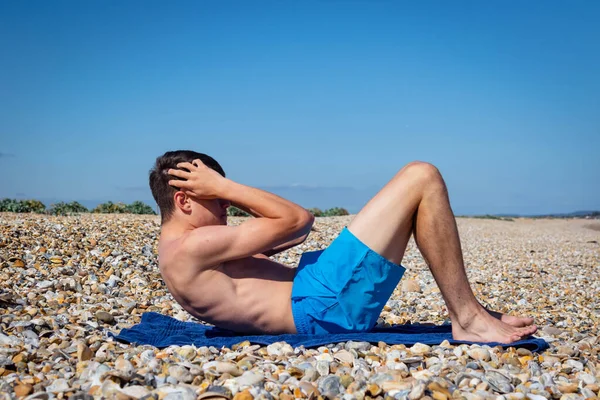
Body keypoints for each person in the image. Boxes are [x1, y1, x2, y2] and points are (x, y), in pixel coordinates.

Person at [149, 150, 537, 343]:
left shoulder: (185, 252)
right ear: (185, 200)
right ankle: (467, 318)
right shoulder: (193, 245)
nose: (226, 206)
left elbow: (293, 235)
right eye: (215, 199)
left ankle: (470, 312)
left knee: (418, 189)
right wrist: (226, 185)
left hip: (320, 298)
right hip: (321, 303)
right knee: (422, 176)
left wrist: (223, 191)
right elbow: (299, 220)